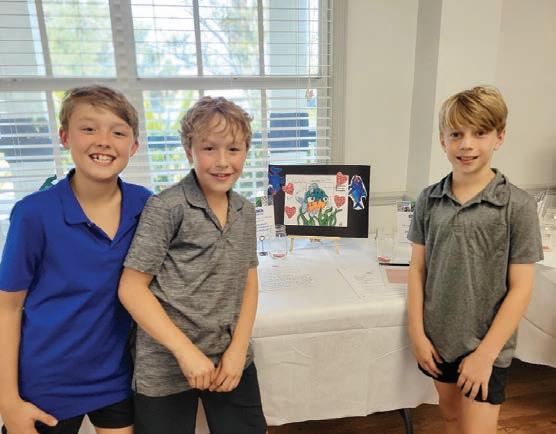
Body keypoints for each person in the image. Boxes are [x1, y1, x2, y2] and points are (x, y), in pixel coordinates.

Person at [0, 85, 151, 434]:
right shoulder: (33, 214)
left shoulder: (146, 205)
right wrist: (7, 401)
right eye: (89, 128)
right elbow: (7, 308)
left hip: (116, 379)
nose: (103, 141)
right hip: (45, 384)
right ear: (65, 137)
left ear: (134, 146)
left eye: (118, 132)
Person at [118, 96, 267, 434]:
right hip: (166, 364)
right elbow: (131, 288)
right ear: (190, 151)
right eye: (209, 148)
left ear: (246, 152)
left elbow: (249, 284)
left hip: (229, 359)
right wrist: (185, 352)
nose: (222, 161)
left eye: (233, 149)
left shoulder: (245, 211)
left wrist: (238, 351)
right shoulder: (166, 207)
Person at [407, 85, 543, 434]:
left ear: (499, 136)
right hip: (438, 342)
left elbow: (521, 288)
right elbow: (418, 270)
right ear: (442, 140)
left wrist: (485, 354)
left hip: (487, 347)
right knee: (451, 418)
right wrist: (418, 335)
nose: (466, 145)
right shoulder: (428, 200)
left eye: (479, 133)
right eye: (456, 134)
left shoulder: (517, 206)